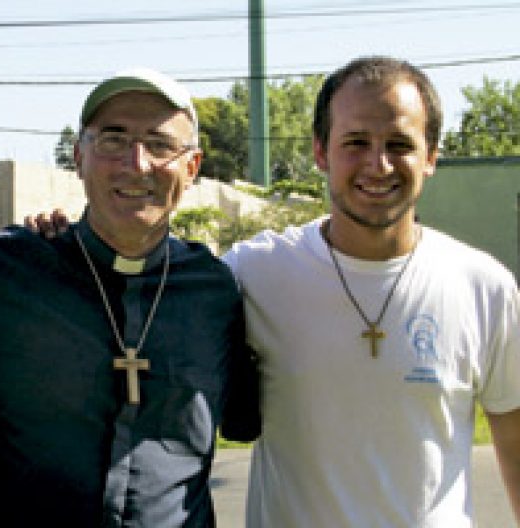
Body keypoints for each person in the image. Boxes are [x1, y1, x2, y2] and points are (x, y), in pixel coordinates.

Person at [0, 67, 259, 526]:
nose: (137, 163)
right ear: (78, 156)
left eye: (160, 145)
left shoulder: (214, 290)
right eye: (113, 139)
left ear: (192, 169)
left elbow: (247, 418)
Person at [223, 56, 520, 526]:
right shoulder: (254, 272)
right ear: (321, 152)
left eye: (399, 144)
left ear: (431, 157)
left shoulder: (485, 287)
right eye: (356, 142)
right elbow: (151, 285)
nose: (377, 164)